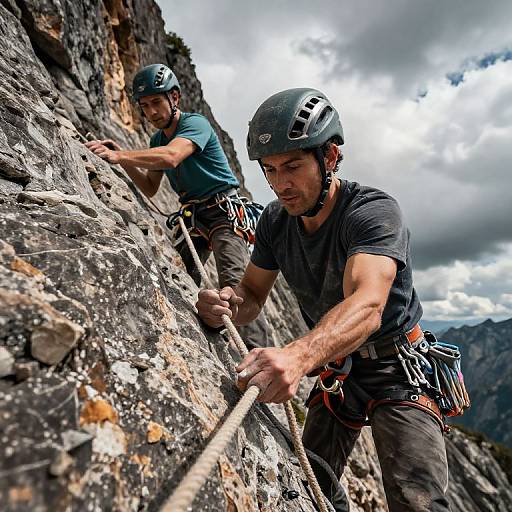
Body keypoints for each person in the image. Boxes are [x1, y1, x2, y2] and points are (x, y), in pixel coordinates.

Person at [196, 88, 452, 511]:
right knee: (309, 482)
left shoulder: (371, 212)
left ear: (330, 157)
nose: (280, 184)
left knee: (417, 500)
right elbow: (252, 294)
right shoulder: (277, 222)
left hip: (397, 367)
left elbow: (368, 305)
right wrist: (224, 303)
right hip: (340, 367)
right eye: (270, 170)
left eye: (293, 166)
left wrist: (298, 357)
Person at [85, 63, 271, 349]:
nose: (152, 112)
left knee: (235, 288)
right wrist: (121, 160)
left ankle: (259, 352)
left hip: (223, 212)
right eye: (145, 106)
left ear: (175, 97)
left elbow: (173, 157)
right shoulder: (156, 140)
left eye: (157, 102)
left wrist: (121, 153)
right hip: (194, 218)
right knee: (179, 277)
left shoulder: (195, 124)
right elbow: (150, 186)